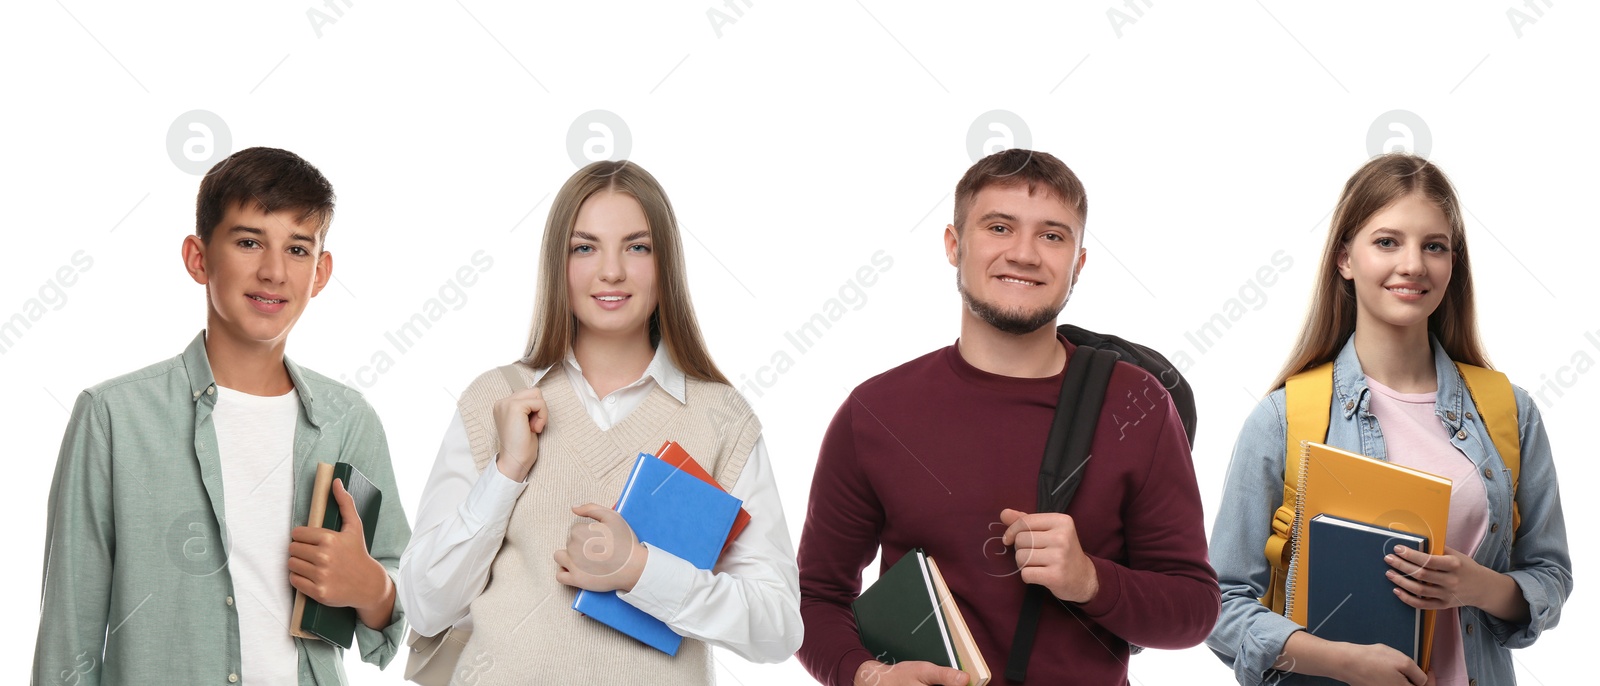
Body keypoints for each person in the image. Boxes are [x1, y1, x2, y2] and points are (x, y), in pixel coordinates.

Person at [795, 148, 1219, 686]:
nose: (1024, 254)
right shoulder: (874, 413)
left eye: (1052, 235)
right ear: (955, 245)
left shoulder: (1139, 405)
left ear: (1078, 263)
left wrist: (1090, 579)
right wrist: (865, 677)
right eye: (999, 227)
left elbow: (1195, 609)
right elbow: (815, 598)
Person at [398, 160, 802, 684]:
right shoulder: (494, 400)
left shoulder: (721, 419)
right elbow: (426, 604)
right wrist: (507, 470)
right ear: (557, 263)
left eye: (637, 247)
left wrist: (641, 572)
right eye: (585, 247)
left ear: (665, 264)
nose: (611, 271)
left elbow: (778, 628)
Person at [31, 147, 410, 685]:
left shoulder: (349, 420)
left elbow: (396, 589)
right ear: (198, 257)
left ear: (321, 272)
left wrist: (371, 588)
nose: (274, 271)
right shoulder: (113, 417)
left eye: (298, 249)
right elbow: (69, 634)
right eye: (249, 241)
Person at [1206, 153, 1572, 686]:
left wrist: (1479, 587)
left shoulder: (1510, 412)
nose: (1413, 265)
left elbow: (1551, 573)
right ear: (1344, 259)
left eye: (1434, 246)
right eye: (1387, 241)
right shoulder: (1285, 419)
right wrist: (1340, 661)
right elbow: (1218, 603)